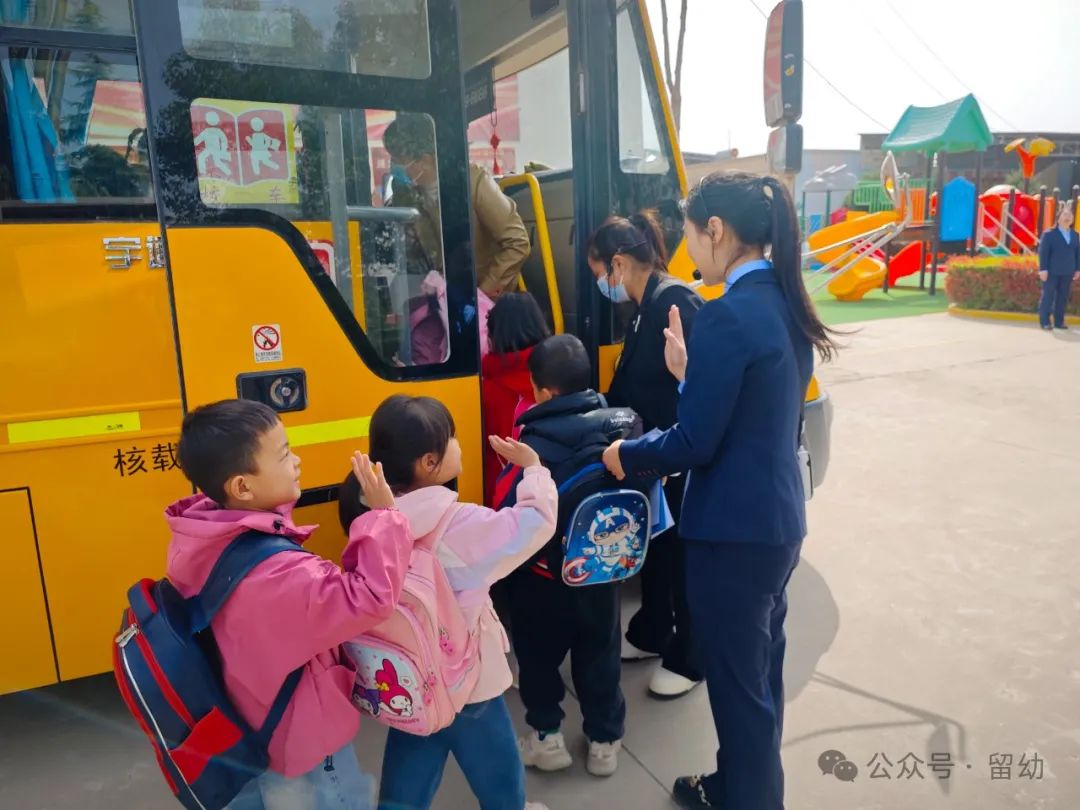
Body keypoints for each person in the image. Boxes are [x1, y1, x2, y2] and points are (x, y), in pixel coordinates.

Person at [602, 172, 838, 810]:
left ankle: (749, 798)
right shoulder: (785, 304)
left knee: (741, 693)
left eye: (687, 232)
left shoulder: (730, 316)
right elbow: (751, 416)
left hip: (732, 534)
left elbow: (693, 443)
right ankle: (736, 785)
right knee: (756, 681)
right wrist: (689, 376)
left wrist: (624, 453)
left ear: (716, 231)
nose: (685, 249)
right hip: (776, 524)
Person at [166, 399, 415, 810]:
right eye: (283, 455)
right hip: (300, 733)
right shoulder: (280, 574)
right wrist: (386, 515)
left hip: (250, 712)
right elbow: (369, 597)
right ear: (243, 487)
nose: (296, 461)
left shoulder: (202, 536)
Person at [337, 395, 557, 810]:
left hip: (410, 678)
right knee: (499, 773)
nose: (458, 444)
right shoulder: (459, 525)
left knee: (411, 765)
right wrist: (533, 469)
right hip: (467, 682)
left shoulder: (366, 516)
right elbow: (535, 524)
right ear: (428, 463)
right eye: (451, 438)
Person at [501, 334, 641, 778]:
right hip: (602, 574)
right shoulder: (624, 427)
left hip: (542, 581)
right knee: (600, 655)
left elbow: (507, 515)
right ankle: (603, 742)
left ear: (541, 391)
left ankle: (548, 739)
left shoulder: (531, 444)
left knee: (538, 661)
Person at [588, 210, 704, 699]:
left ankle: (693, 654)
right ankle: (654, 629)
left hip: (678, 458)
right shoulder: (640, 309)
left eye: (599, 274)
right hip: (651, 459)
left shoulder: (674, 302)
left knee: (681, 561)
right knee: (655, 549)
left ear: (617, 263)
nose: (601, 285)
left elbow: (700, 388)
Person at [382, 112, 531, 304]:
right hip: (445, 297)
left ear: (425, 160)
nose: (393, 167)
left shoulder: (473, 183)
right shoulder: (407, 193)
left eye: (399, 161)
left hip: (486, 299)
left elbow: (517, 243)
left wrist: (482, 296)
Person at [481, 292, 552, 506]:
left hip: (504, 499)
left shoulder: (486, 390)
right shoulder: (559, 376)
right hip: (553, 494)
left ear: (493, 337)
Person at [1037, 202, 1079, 331]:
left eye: (1070, 215)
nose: (1068, 217)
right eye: (1065, 215)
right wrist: (1043, 269)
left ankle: (1059, 322)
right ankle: (1045, 322)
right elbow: (1043, 253)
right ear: (1058, 218)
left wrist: (1078, 269)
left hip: (1068, 271)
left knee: (1063, 297)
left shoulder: (1075, 235)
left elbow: (1078, 253)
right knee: (1048, 296)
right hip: (1051, 271)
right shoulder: (1049, 234)